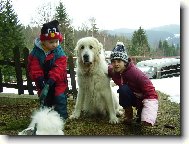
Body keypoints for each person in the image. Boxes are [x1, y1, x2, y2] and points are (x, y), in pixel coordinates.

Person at [108, 42, 158, 126]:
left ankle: (141, 113)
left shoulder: (135, 73)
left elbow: (151, 92)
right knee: (123, 90)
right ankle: (128, 114)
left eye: (119, 61)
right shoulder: (113, 71)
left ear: (125, 61)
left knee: (143, 118)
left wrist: (148, 116)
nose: (116, 64)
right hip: (130, 95)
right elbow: (103, 69)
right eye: (113, 61)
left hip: (142, 98)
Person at [27, 20, 68, 120]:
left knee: (59, 98)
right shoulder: (36, 53)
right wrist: (40, 79)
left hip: (58, 80)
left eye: (56, 41)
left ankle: (62, 118)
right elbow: (34, 67)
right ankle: (46, 118)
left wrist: (52, 79)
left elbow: (60, 67)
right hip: (43, 80)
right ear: (43, 41)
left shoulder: (59, 52)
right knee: (45, 99)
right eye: (51, 42)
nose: (54, 44)